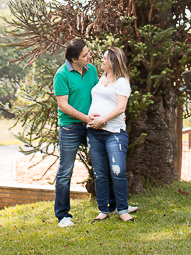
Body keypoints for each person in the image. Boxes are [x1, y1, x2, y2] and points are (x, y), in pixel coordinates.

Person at [53, 38, 98, 227]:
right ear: (73, 59)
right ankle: (63, 216)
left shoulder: (92, 70)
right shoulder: (61, 75)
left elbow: (98, 95)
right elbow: (63, 105)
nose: (89, 56)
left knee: (103, 165)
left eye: (88, 52)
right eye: (85, 55)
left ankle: (112, 206)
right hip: (70, 127)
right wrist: (85, 118)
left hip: (92, 125)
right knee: (65, 171)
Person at [87, 46, 134, 222]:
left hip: (114, 133)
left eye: (105, 58)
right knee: (100, 173)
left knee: (118, 171)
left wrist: (103, 119)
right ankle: (103, 210)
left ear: (114, 62)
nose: (102, 60)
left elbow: (121, 107)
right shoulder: (102, 79)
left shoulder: (122, 82)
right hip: (94, 133)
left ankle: (122, 210)